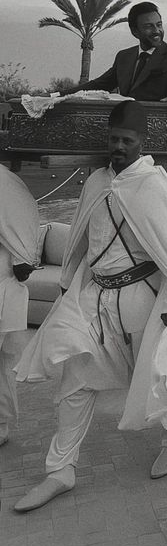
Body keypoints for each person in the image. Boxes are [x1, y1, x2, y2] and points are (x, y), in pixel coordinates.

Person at [14, 101, 167, 512]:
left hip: (141, 300)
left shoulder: (154, 185)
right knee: (76, 380)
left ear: (141, 142)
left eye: (127, 140)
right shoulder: (97, 180)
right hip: (94, 299)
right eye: (114, 139)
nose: (118, 146)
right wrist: (66, 286)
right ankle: (60, 469)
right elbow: (82, 236)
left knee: (157, 373)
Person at [60, 2, 167, 109]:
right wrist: (56, 96)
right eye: (149, 26)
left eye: (159, 25)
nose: (157, 31)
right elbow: (98, 84)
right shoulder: (123, 57)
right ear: (134, 32)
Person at [0, 165, 40, 447]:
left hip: (3, 285)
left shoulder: (6, 183)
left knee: (4, 365)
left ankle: (1, 425)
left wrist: (20, 256)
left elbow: (24, 263)